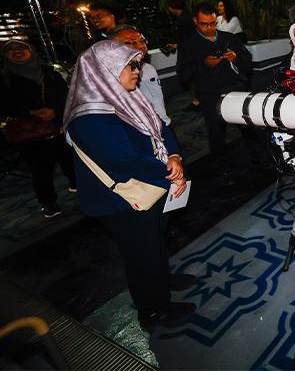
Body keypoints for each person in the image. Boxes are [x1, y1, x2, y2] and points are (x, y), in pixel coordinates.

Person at [63, 40, 195, 328]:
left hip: (151, 183)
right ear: (104, 70)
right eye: (131, 66)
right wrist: (172, 172)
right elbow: (123, 159)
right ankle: (153, 310)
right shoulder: (90, 115)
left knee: (155, 240)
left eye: (137, 64)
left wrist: (174, 156)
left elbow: (161, 126)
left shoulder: (127, 96)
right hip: (121, 199)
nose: (138, 70)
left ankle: (163, 280)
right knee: (140, 254)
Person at [175, 3, 272, 186]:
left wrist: (236, 58)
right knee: (217, 135)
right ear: (196, 21)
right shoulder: (189, 45)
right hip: (211, 95)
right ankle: (223, 170)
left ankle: (259, 159)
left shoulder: (229, 38)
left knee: (249, 128)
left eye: (213, 23)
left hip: (237, 90)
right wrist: (204, 65)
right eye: (204, 24)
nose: (210, 28)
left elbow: (248, 63)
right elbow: (184, 75)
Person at [0, 40, 76, 217]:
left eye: (21, 47)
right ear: (4, 55)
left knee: (69, 159)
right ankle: (48, 202)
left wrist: (53, 110)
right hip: (30, 132)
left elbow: (65, 94)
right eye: (10, 50)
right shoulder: (4, 78)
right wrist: (32, 112)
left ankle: (77, 185)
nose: (17, 51)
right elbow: (3, 105)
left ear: (30, 50)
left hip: (57, 126)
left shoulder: (49, 72)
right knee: (41, 169)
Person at [107, 25, 171, 126]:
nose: (142, 46)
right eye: (133, 42)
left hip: (164, 123)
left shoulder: (148, 68)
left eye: (142, 41)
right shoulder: (111, 77)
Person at [167, 0, 201, 112]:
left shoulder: (184, 19)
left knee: (190, 78)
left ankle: (197, 102)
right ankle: (197, 102)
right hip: (188, 54)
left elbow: (188, 39)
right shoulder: (186, 17)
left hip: (188, 56)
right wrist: (176, 45)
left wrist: (184, 57)